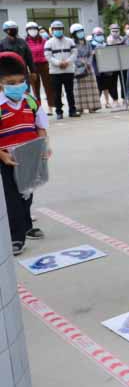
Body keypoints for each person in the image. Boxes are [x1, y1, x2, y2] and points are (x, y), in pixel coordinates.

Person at [0, 52, 49, 255]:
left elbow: (41, 127)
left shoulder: (30, 101)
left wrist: (43, 147)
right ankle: (16, 237)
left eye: (21, 82)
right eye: (11, 82)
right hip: (6, 158)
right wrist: (2, 155)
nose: (17, 86)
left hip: (28, 155)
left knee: (26, 195)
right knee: (11, 198)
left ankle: (26, 225)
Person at [44, 20, 79, 120]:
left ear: (63, 30)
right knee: (57, 93)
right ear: (52, 30)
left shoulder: (70, 41)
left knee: (70, 92)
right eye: (55, 29)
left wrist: (67, 62)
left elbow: (74, 53)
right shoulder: (48, 42)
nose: (58, 30)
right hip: (55, 72)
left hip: (68, 70)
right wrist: (59, 63)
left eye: (59, 29)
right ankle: (59, 112)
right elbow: (48, 56)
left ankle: (72, 110)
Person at [25, 21, 55, 114]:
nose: (32, 31)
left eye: (34, 29)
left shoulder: (44, 40)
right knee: (35, 88)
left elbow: (49, 52)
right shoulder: (25, 42)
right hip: (32, 66)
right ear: (27, 31)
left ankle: (50, 107)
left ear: (37, 30)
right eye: (30, 29)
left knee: (48, 86)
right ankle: (39, 108)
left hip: (44, 65)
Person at [70, 24, 101, 114]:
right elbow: (73, 55)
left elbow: (91, 53)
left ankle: (92, 107)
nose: (81, 33)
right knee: (79, 90)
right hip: (77, 68)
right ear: (74, 33)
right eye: (78, 32)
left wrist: (88, 62)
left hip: (88, 67)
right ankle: (80, 108)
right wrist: (80, 62)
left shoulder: (87, 42)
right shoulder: (72, 43)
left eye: (81, 31)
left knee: (91, 88)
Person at [0, 21, 35, 89]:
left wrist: (33, 71)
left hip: (23, 72)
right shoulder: (2, 43)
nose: (13, 31)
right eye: (11, 29)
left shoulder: (22, 42)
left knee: (25, 91)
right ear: (6, 31)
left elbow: (29, 57)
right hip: (8, 73)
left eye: (15, 29)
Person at [90, 27, 118, 108]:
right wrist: (94, 52)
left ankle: (107, 102)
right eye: (98, 35)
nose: (100, 36)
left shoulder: (105, 44)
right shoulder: (91, 44)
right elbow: (89, 55)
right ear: (94, 35)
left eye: (101, 34)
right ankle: (96, 104)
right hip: (96, 68)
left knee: (106, 86)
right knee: (97, 87)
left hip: (106, 68)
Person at [106, 23, 125, 103]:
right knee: (113, 82)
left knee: (123, 81)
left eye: (117, 30)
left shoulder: (122, 39)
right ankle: (115, 99)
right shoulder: (108, 39)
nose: (115, 32)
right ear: (110, 31)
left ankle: (124, 98)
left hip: (122, 63)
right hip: (113, 64)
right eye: (113, 31)